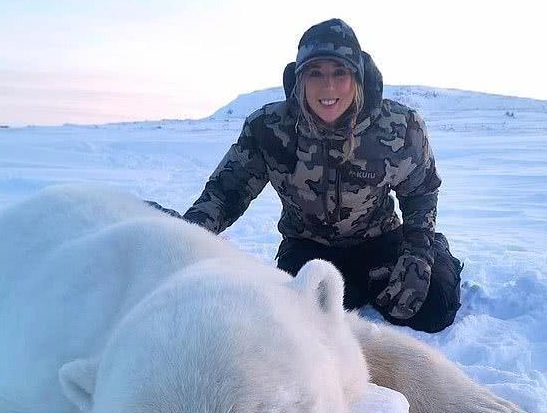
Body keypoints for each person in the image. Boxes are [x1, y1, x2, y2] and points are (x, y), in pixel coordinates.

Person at [151, 18, 462, 332]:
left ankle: (438, 249)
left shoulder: (400, 126)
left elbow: (421, 192)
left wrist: (417, 257)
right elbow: (224, 194)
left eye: (340, 73)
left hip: (378, 240)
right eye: (316, 73)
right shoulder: (268, 128)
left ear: (357, 77)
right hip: (307, 247)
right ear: (299, 78)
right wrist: (183, 239)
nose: (328, 86)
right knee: (303, 323)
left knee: (431, 307)